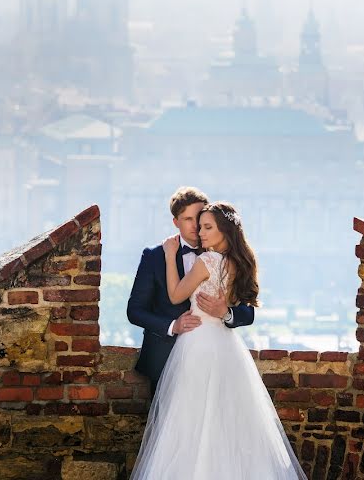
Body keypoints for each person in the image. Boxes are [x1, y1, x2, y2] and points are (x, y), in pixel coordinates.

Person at [130, 201, 307, 479]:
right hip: (226, 348)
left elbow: (178, 296)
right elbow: (135, 309)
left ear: (223, 228)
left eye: (205, 226)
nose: (199, 231)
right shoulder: (239, 262)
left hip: (198, 345)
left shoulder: (207, 259)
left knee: (190, 419)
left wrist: (170, 257)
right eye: (196, 224)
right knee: (227, 421)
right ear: (176, 221)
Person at [126, 187, 255, 394]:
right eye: (187, 219)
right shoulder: (155, 256)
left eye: (200, 218)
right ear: (175, 222)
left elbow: (248, 311)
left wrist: (225, 312)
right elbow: (135, 311)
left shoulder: (227, 258)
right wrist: (172, 326)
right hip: (163, 357)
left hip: (214, 355)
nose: (196, 226)